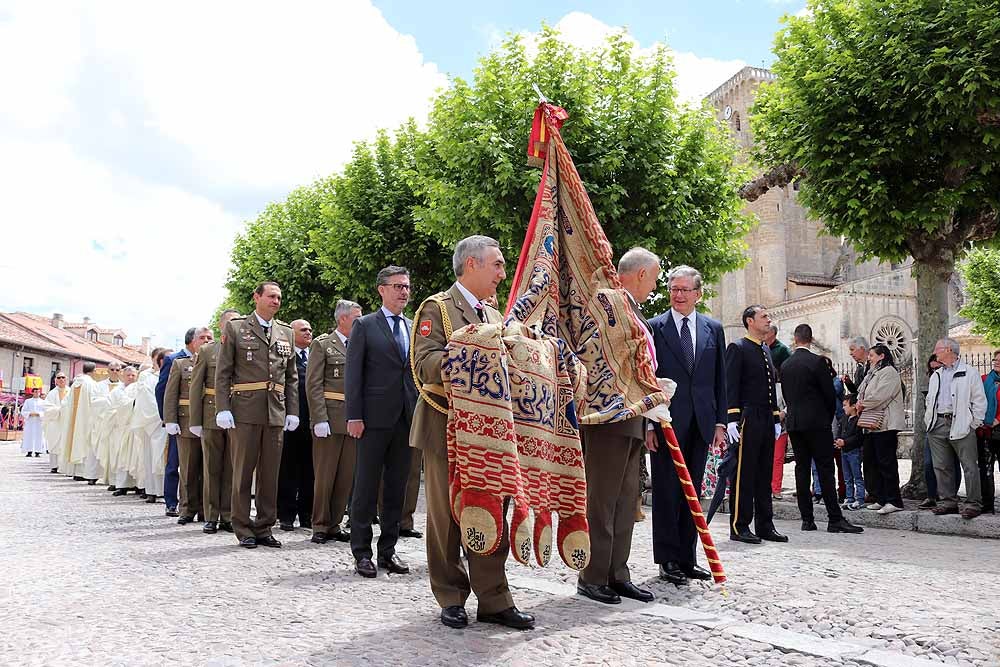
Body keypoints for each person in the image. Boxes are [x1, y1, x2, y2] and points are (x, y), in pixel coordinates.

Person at [412, 235, 533, 631]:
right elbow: (424, 364)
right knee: (447, 518)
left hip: (490, 433)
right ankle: (450, 596)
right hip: (444, 424)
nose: (502, 273)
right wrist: (473, 352)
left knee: (491, 511)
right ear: (472, 265)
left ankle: (495, 599)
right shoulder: (438, 308)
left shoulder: (496, 316)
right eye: (496, 265)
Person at [569, 248, 661, 604]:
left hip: (632, 414)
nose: (654, 286)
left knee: (626, 500)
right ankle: (592, 575)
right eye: (653, 278)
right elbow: (598, 353)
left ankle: (616, 572)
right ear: (639, 274)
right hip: (607, 414)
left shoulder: (632, 309)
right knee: (602, 500)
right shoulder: (608, 302)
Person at [648, 264, 727, 586]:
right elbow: (647, 379)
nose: (678, 295)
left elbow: (719, 379)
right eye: (674, 289)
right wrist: (650, 425)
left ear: (698, 293)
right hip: (667, 423)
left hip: (702, 422)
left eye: (685, 290)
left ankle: (687, 557)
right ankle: (667, 560)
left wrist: (721, 422)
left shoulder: (713, 328)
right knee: (667, 492)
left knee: (692, 492)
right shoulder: (655, 328)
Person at [215, 281, 300, 548]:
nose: (276, 301)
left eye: (279, 297)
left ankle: (264, 526)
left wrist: (292, 411)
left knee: (270, 473)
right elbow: (223, 372)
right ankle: (243, 527)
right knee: (242, 472)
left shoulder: (285, 332)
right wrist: (223, 408)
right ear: (257, 297)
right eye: (272, 296)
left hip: (275, 410)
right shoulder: (237, 327)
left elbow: (292, 377)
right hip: (245, 409)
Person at [346, 266, 418, 578]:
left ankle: (388, 551)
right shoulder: (364, 325)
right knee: (365, 486)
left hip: (405, 418)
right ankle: (361, 552)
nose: (404, 292)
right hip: (373, 419)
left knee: (396, 488)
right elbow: (353, 375)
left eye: (406, 287)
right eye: (398, 286)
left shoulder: (413, 326)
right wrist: (355, 415)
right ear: (382, 290)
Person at [778, 324, 862, 534]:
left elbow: (787, 396)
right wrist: (825, 417)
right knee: (825, 469)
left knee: (802, 470)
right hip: (816, 423)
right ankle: (835, 518)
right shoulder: (816, 362)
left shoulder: (786, 365)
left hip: (795, 423)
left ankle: (807, 519)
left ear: (795, 339)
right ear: (810, 339)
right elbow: (828, 394)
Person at [724, 305, 786, 544]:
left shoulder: (764, 349)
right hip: (747, 417)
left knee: (763, 473)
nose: (768, 320)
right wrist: (731, 419)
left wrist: (774, 418)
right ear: (750, 321)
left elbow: (770, 390)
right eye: (764, 317)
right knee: (744, 473)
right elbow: (732, 386)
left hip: (764, 417)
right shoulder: (738, 348)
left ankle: (764, 524)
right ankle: (739, 526)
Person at [307, 301, 361, 544]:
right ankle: (319, 524)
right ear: (342, 319)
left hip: (352, 418)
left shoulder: (359, 345)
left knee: (345, 476)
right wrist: (319, 418)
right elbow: (314, 383)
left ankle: (335, 523)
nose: (360, 322)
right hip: (329, 416)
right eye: (356, 318)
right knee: (325, 475)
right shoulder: (322, 344)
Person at [189, 309, 240, 534]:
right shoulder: (208, 351)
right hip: (211, 414)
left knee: (232, 468)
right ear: (221, 327)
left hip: (239, 414)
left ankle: (228, 515)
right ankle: (211, 515)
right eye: (230, 323)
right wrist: (195, 419)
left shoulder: (247, 349)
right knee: (211, 467)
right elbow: (196, 386)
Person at [925, 338, 987, 519]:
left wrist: (973, 423)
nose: (935, 352)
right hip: (937, 424)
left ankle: (973, 503)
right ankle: (948, 502)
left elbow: (979, 400)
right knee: (941, 466)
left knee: (969, 466)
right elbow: (930, 400)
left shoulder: (970, 372)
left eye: (938, 349)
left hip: (961, 423)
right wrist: (929, 420)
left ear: (949, 350)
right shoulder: (936, 375)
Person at [164, 327, 213, 524]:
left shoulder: (217, 362)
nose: (206, 340)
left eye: (210, 337)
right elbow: (170, 394)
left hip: (209, 421)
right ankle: (186, 508)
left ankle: (205, 509)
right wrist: (170, 420)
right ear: (192, 342)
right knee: (188, 468)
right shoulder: (180, 364)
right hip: (185, 421)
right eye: (202, 338)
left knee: (208, 469)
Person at [856, 343, 906, 514]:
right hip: (873, 425)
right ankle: (880, 497)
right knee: (872, 462)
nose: (868, 358)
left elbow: (880, 396)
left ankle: (894, 500)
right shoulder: (872, 373)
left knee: (886, 463)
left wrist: (862, 404)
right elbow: (862, 392)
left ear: (881, 356)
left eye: (871, 355)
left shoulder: (889, 373)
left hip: (886, 424)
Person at [277, 319, 315, 531]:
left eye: (310, 329)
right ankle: (286, 514)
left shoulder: (315, 356)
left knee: (310, 471)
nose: (308, 333)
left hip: (311, 421)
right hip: (290, 420)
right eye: (303, 330)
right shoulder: (284, 356)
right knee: (288, 469)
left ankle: (307, 514)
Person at [917, 354, 960, 509]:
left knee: (953, 462)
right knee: (930, 463)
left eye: (938, 367)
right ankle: (932, 495)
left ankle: (951, 495)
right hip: (934, 425)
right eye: (932, 368)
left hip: (953, 422)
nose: (935, 370)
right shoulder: (933, 380)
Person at [133, 350, 170, 505]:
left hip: (169, 422)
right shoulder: (147, 377)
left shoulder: (172, 374)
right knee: (152, 457)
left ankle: (167, 491)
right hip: (154, 423)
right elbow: (145, 400)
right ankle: (152, 491)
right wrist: (162, 415)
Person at [57, 362, 101, 481]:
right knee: (86, 444)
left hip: (74, 420)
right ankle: (84, 473)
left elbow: (65, 403)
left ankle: (76, 472)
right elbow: (95, 403)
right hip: (87, 419)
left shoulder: (75, 384)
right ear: (94, 371)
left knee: (75, 441)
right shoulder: (92, 384)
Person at [977, 351, 1000, 514]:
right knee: (985, 469)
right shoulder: (984, 379)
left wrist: (998, 419)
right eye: (995, 359)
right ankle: (987, 504)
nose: (996, 362)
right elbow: (977, 400)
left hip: (998, 425)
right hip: (985, 430)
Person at [835, 395, 865, 510]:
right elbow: (839, 430)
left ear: (853, 406)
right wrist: (838, 440)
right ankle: (849, 497)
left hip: (854, 451)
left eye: (845, 405)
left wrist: (845, 442)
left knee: (857, 475)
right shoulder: (844, 419)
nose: (843, 408)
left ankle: (860, 498)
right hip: (844, 451)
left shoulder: (858, 420)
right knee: (847, 476)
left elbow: (858, 437)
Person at [43, 372, 70, 473]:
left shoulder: (71, 392)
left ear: (66, 379)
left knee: (65, 444)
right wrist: (60, 409)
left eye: (63, 377)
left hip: (66, 422)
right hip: (55, 421)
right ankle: (54, 465)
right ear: (56, 380)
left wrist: (66, 410)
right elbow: (47, 407)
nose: (61, 379)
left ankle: (64, 466)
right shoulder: (51, 393)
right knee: (54, 443)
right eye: (59, 377)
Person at [20, 388, 47, 457]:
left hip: (39, 421)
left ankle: (38, 451)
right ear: (32, 393)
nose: (37, 393)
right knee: (29, 436)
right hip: (30, 421)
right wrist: (29, 413)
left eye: (38, 392)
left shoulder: (43, 402)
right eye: (35, 392)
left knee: (39, 436)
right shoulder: (28, 401)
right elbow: (23, 411)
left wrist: (40, 414)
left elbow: (46, 411)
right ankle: (29, 451)